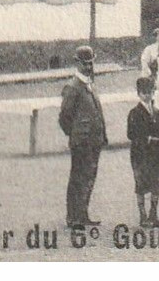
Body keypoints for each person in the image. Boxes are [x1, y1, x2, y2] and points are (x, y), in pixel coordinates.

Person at [58, 45, 108, 230]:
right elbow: (64, 117)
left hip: (94, 140)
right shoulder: (73, 87)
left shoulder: (89, 84)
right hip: (81, 141)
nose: (89, 67)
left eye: (91, 63)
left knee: (89, 177)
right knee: (78, 178)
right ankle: (73, 217)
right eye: (85, 64)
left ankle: (83, 213)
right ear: (77, 63)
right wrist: (75, 134)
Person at [126, 77, 159, 226]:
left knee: (157, 183)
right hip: (140, 155)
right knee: (142, 184)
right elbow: (131, 134)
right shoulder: (134, 113)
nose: (147, 95)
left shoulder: (157, 112)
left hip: (155, 155)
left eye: (150, 92)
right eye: (144, 93)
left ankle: (153, 214)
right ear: (138, 93)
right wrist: (149, 138)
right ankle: (142, 216)